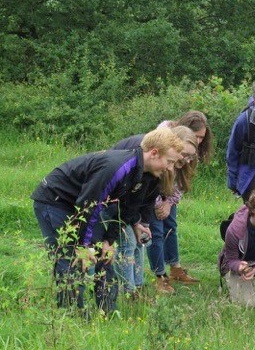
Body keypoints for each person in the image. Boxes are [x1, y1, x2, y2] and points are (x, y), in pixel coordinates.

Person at [31, 128, 184, 313]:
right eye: (169, 161)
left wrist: (108, 241)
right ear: (154, 153)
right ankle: (72, 317)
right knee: (71, 259)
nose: (170, 168)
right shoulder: (117, 166)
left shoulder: (145, 175)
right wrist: (84, 244)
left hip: (83, 206)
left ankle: (108, 314)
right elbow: (89, 204)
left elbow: (127, 209)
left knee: (105, 256)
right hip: (56, 200)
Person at [112, 124, 201, 296]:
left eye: (191, 156)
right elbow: (135, 190)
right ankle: (129, 292)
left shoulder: (171, 161)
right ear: (174, 147)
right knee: (128, 242)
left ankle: (137, 287)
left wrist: (143, 222)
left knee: (140, 241)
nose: (187, 160)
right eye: (185, 154)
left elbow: (152, 193)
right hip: (120, 197)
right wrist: (136, 221)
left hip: (140, 201)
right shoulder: (153, 153)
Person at [149, 112, 213, 293]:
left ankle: (175, 269)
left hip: (170, 194)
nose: (199, 141)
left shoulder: (192, 150)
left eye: (202, 137)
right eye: (196, 136)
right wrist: (158, 204)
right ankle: (160, 276)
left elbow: (183, 180)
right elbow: (150, 179)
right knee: (156, 232)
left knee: (171, 227)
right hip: (153, 193)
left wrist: (169, 202)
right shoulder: (163, 141)